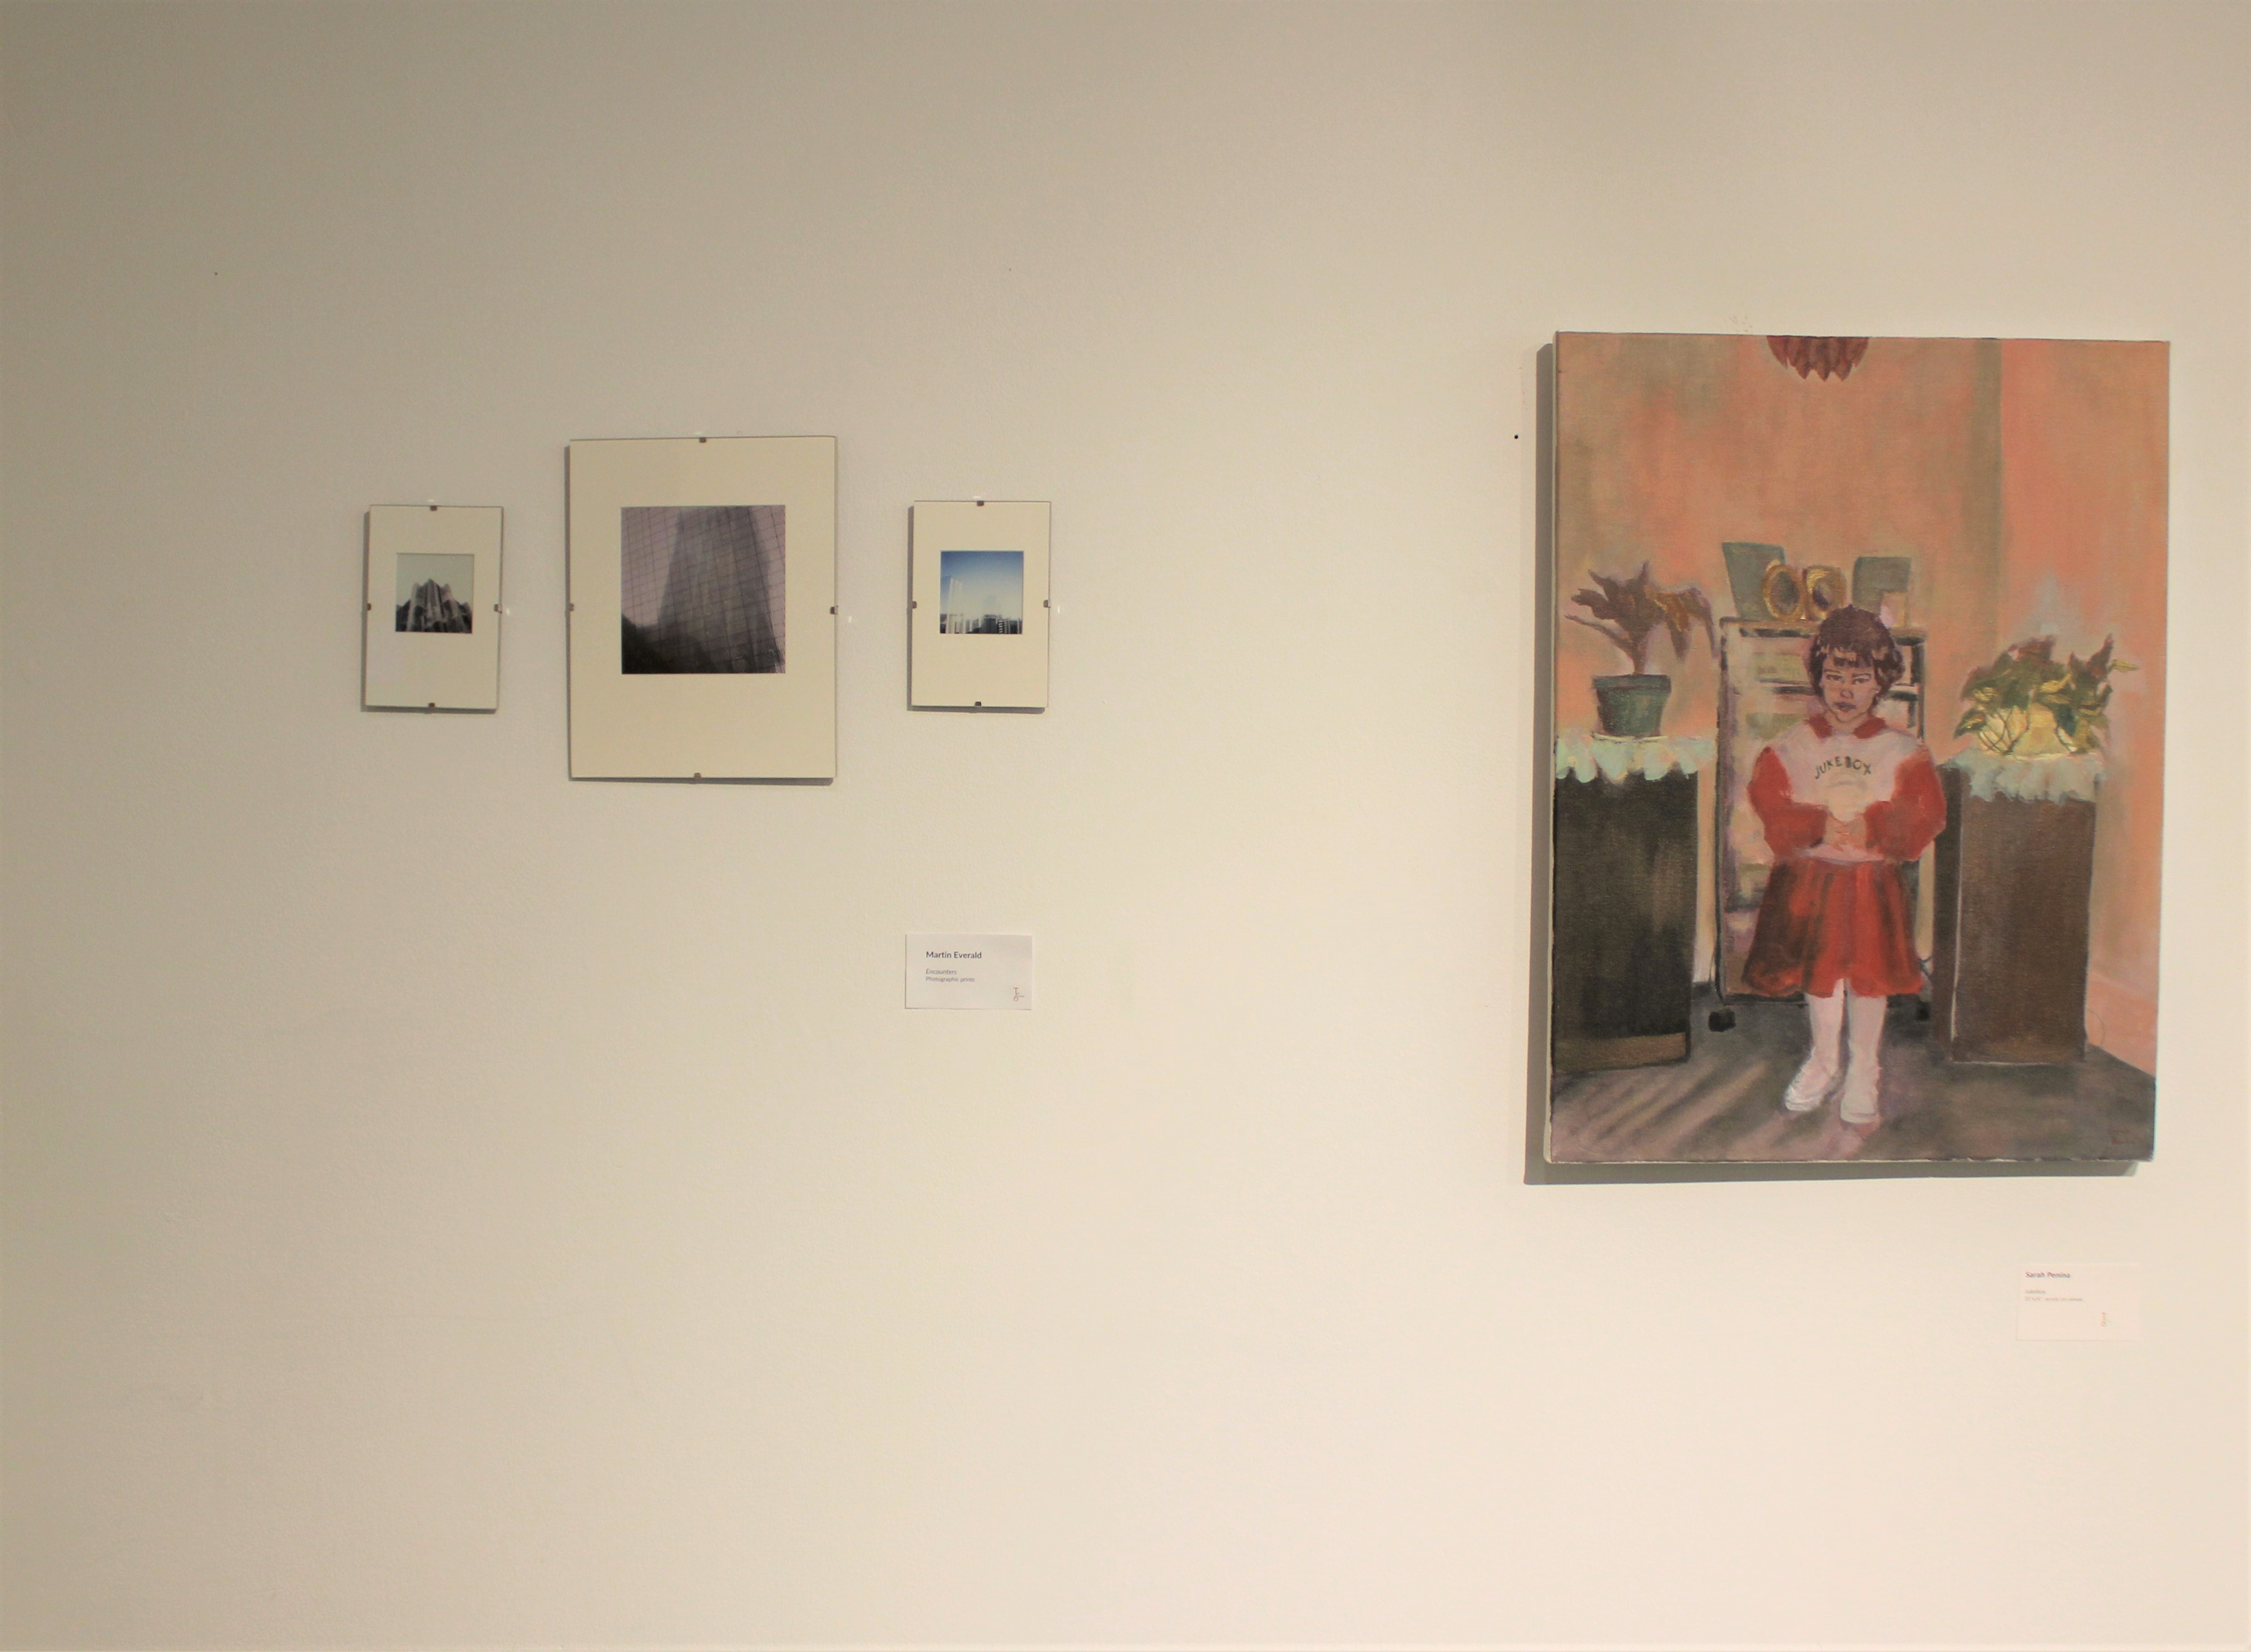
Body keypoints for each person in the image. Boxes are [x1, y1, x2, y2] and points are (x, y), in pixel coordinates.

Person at [1743, 606, 1945, 1125]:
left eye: (1859, 678)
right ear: (1819, 678)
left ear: (1880, 682)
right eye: (1835, 676)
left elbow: (1925, 814)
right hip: (1811, 882)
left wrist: (1873, 827)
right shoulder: (1793, 745)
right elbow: (1769, 802)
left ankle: (1863, 1069)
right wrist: (1818, 826)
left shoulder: (1901, 750)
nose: (1845, 690)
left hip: (1870, 884)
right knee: (1821, 977)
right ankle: (1823, 1060)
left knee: (1867, 978)